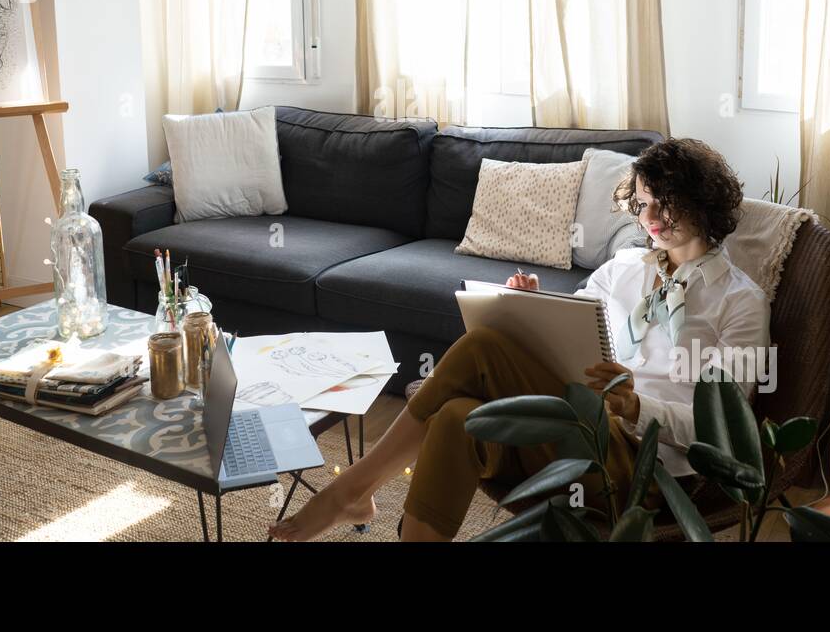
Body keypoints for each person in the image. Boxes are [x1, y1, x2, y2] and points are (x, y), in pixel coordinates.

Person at [268, 138, 771, 541]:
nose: (651, 216)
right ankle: (368, 499)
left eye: (666, 202)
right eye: (641, 204)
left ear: (703, 204)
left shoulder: (741, 303)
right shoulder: (622, 269)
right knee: (454, 415)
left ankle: (352, 488)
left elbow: (722, 433)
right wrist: (531, 307)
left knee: (483, 352)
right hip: (571, 422)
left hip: (643, 468)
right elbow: (571, 331)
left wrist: (636, 406)